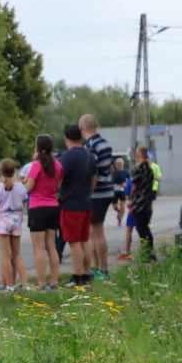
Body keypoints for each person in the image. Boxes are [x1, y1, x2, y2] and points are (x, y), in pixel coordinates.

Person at [58, 124, 97, 288]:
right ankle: (87, 274)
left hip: (71, 205)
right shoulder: (90, 156)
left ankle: (77, 277)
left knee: (74, 243)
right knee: (84, 241)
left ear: (65, 139)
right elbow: (93, 181)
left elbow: (58, 181)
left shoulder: (65, 158)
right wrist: (86, 194)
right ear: (81, 137)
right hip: (86, 202)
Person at [25, 135, 63, 289]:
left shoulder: (36, 165)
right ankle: (54, 282)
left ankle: (41, 283)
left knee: (39, 247)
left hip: (37, 207)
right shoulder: (58, 165)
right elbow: (58, 187)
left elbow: (29, 187)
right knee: (51, 246)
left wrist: (26, 180)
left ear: (37, 148)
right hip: (53, 206)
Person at [79, 114, 114, 279]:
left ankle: (103, 269)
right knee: (93, 231)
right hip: (107, 188)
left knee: (97, 232)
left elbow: (91, 169)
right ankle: (96, 266)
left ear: (81, 128)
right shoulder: (105, 143)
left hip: (97, 191)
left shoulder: (90, 145)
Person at [0, 159, 30, 290]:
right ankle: (25, 284)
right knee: (16, 254)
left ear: (0, 173)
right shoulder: (21, 186)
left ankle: (9, 285)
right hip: (16, 219)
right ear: (15, 171)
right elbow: (24, 202)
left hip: (3, 220)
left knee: (5, 256)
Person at [129, 146, 157, 260]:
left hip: (139, 202)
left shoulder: (138, 169)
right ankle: (151, 252)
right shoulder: (150, 170)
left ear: (137, 156)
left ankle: (146, 253)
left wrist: (130, 197)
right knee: (146, 228)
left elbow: (134, 186)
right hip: (147, 201)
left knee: (140, 229)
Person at [112, 157, 131, 234]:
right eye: (117, 163)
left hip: (122, 191)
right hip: (114, 191)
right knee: (115, 207)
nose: (119, 165)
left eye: (120, 163)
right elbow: (109, 180)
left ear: (123, 164)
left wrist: (126, 184)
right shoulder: (113, 172)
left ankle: (120, 220)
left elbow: (130, 182)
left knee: (123, 206)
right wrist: (112, 185)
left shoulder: (126, 172)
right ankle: (119, 212)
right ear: (115, 165)